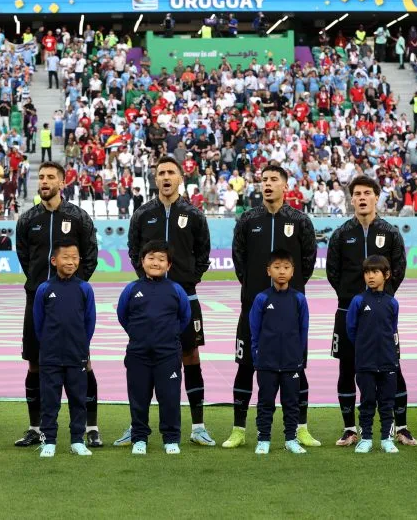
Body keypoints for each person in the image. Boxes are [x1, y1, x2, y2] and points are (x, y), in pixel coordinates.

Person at [118, 156, 213, 447]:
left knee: (190, 357)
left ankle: (198, 426)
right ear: (155, 179)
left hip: (184, 296)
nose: (166, 177)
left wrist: (186, 281)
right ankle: (137, 427)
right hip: (149, 298)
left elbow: (203, 253)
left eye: (171, 172)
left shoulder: (194, 214)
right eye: (161, 173)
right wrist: (149, 283)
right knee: (144, 361)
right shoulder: (143, 213)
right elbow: (134, 250)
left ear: (180, 177)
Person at [225, 164, 317, 449]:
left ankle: (300, 428)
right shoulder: (247, 220)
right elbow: (239, 261)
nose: (267, 184)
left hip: (289, 310)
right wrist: (253, 289)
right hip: (252, 306)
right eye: (264, 180)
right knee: (245, 366)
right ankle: (239, 429)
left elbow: (308, 262)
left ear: (285, 186)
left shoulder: (300, 221)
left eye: (274, 180)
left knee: (296, 368)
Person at [15, 162, 100, 448]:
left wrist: (73, 288)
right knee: (35, 364)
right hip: (37, 299)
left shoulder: (78, 216)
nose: (45, 181)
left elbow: (90, 255)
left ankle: (91, 427)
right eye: (41, 177)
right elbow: (24, 256)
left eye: (51, 177)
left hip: (71, 300)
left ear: (62, 182)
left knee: (83, 363)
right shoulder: (28, 219)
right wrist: (42, 286)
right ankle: (35, 427)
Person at [325, 176, 415, 447]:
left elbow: (398, 268)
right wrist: (348, 296)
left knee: (393, 369)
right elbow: (332, 271)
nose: (362, 198)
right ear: (351, 199)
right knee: (346, 369)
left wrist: (383, 299)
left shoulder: (390, 233)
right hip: (347, 312)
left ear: (377, 197)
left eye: (367, 193)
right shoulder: (341, 234)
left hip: (381, 314)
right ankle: (350, 428)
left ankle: (401, 426)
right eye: (357, 194)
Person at [116, 240, 191, 456]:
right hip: (138, 354)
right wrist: (139, 336)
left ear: (169, 265)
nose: (155, 263)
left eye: (161, 259)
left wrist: (168, 336)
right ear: (142, 262)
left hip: (168, 355)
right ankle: (139, 437)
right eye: (151, 258)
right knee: (139, 398)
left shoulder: (176, 290)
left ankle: (171, 438)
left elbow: (184, 317)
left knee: (169, 398)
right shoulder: (132, 289)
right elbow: (123, 316)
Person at [33, 241, 97, 458]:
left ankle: (77, 440)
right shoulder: (44, 289)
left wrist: (80, 345)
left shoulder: (84, 288)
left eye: (75, 258)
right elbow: (38, 322)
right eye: (65, 257)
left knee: (78, 400)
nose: (70, 262)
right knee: (49, 401)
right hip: (50, 356)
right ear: (54, 261)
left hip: (76, 355)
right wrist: (50, 344)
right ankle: (49, 440)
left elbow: (90, 323)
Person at [249, 249, 309, 456]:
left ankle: (291, 439)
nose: (281, 272)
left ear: (292, 271)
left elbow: (303, 330)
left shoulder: (299, 299)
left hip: (291, 362)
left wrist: (298, 356)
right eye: (277, 267)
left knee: (291, 403)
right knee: (266, 402)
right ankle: (263, 439)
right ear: (269, 271)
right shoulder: (261, 299)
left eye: (286, 267)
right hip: (267, 362)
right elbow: (254, 331)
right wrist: (257, 356)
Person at [345, 255, 400, 454]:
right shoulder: (358, 301)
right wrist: (364, 347)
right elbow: (351, 330)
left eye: (375, 272)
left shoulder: (392, 303)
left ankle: (387, 438)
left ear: (386, 275)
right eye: (367, 272)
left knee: (387, 403)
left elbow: (392, 329)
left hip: (387, 361)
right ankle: (365, 438)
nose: (370, 276)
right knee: (367, 402)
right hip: (365, 362)